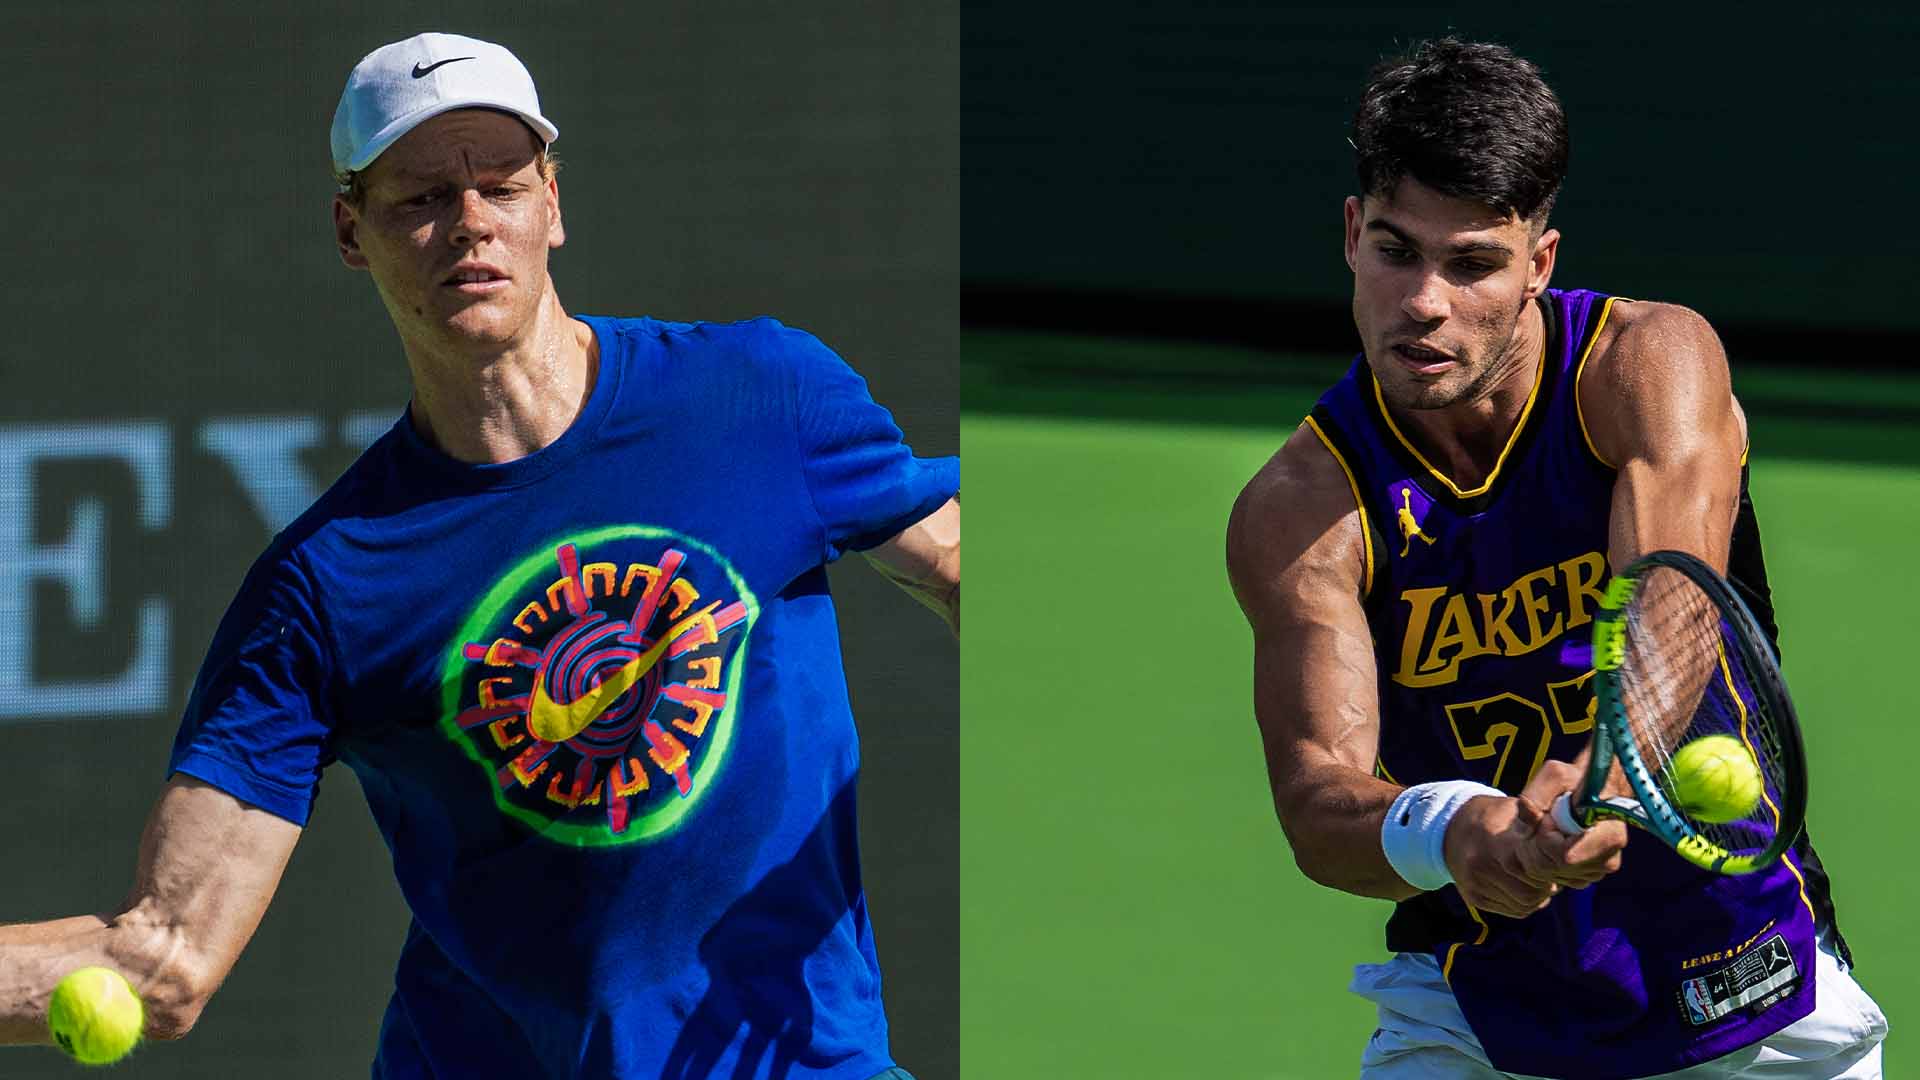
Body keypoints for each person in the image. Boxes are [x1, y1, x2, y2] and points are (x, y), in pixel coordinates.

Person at [0, 32, 956, 1080]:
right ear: (350, 232)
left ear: (553, 202)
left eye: (499, 186)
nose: (469, 225)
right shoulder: (322, 586)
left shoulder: (762, 395)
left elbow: (959, 567)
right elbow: (165, 960)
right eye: (419, 198)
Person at [1224, 38, 1885, 1080]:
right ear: (1352, 236)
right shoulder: (1302, 509)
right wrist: (1456, 832)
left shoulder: (1645, 365)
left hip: (1746, 981)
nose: (1426, 301)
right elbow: (1317, 803)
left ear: (1539, 262)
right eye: (1398, 251)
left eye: (1474, 262)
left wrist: (1602, 781)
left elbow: (1669, 603)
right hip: (1472, 1013)